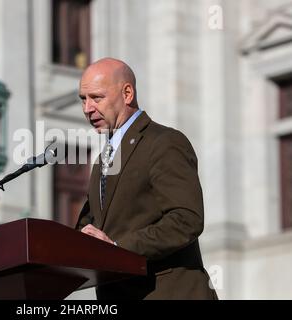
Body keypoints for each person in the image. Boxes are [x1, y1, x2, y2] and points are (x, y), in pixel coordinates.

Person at [76, 57, 218, 300]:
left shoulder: (164, 142)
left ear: (127, 93)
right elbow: (92, 227)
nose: (88, 109)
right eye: (83, 99)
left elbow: (187, 219)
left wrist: (117, 249)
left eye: (96, 97)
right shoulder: (102, 160)